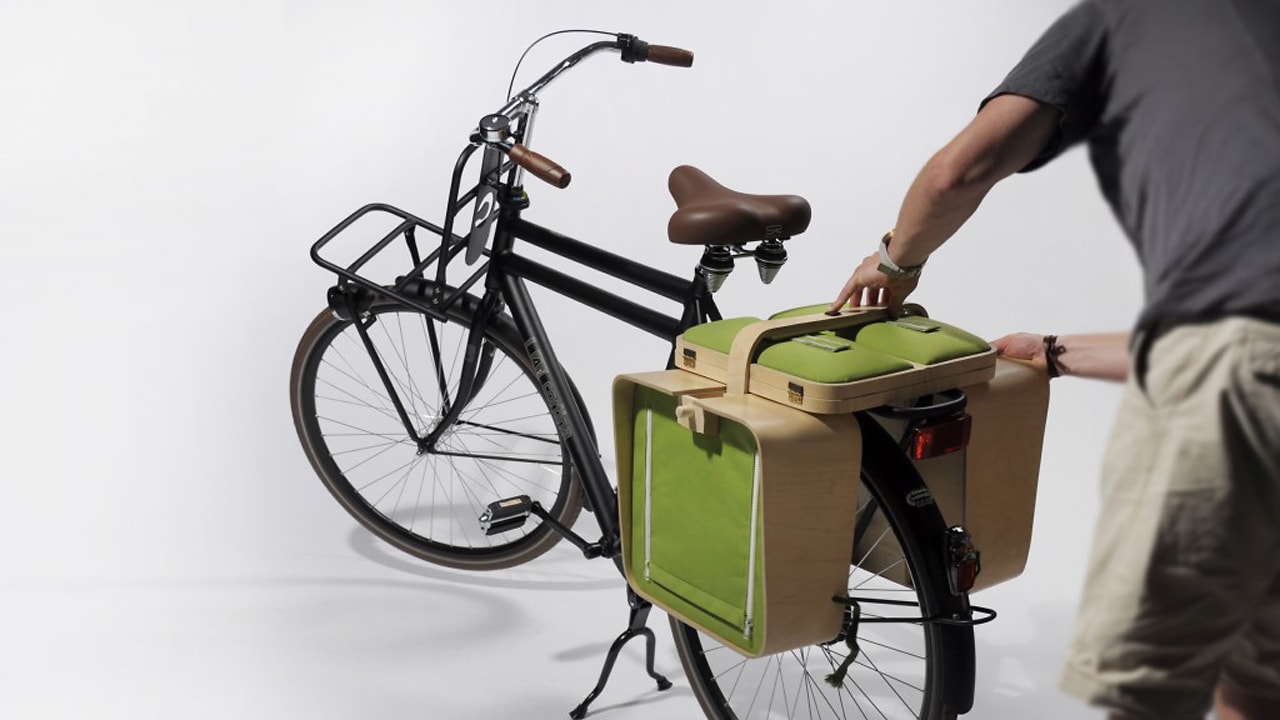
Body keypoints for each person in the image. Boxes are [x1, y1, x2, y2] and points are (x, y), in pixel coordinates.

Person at [828, 1, 1280, 719]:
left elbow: (960, 171)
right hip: (1242, 376)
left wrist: (894, 262)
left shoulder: (1126, 16)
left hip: (1230, 382)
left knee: (1151, 692)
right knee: (1259, 680)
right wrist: (1053, 354)